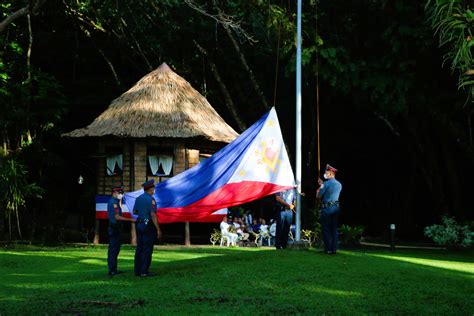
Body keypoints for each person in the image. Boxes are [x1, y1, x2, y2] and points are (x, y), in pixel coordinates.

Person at [133, 179, 160, 277]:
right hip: (148, 225)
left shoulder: (138, 198)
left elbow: (135, 212)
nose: (154, 190)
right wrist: (158, 229)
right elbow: (153, 214)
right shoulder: (151, 199)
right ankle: (144, 271)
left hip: (139, 223)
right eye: (153, 188)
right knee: (147, 248)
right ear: (150, 189)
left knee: (139, 248)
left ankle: (137, 270)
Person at [107, 185, 136, 276]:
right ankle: (112, 270)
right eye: (120, 193)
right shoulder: (113, 203)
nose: (121, 194)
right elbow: (117, 217)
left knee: (116, 250)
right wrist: (130, 220)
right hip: (114, 228)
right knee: (113, 250)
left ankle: (114, 269)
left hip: (116, 228)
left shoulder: (116, 201)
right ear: (115, 192)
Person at [317, 164, 342, 254]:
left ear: (331, 173)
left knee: (326, 229)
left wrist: (320, 186)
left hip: (327, 208)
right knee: (334, 229)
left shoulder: (326, 184)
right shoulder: (339, 184)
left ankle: (328, 249)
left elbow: (318, 195)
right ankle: (334, 249)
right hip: (335, 208)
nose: (325, 174)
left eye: (326, 172)